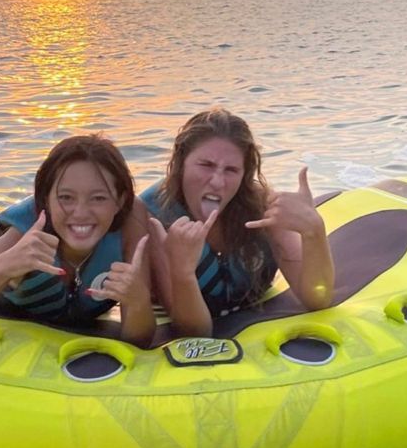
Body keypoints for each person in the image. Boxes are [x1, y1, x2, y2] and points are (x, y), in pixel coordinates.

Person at [0, 135, 155, 348]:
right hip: (13, 312)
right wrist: (6, 266)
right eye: (66, 198)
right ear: (45, 199)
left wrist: (138, 302)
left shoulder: (131, 223)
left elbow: (139, 340)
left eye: (98, 198)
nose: (81, 212)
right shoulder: (21, 236)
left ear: (120, 200)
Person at [141, 109, 335, 337]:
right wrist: (182, 271)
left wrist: (313, 230)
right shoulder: (154, 216)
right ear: (181, 162)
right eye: (206, 165)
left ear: (244, 174)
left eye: (231, 170)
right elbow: (193, 330)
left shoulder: (261, 206)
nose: (217, 181)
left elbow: (317, 298)